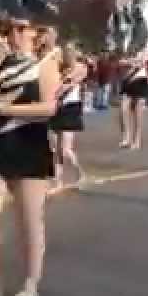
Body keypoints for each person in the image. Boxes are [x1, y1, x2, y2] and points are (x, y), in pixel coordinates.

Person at [0, 17, 61, 296]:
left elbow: (48, 108)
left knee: (29, 221)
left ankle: (31, 283)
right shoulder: (3, 63)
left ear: (35, 33)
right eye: (12, 30)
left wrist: (7, 108)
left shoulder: (45, 65)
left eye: (22, 29)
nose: (15, 34)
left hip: (29, 144)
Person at [49, 43, 88, 192]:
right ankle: (58, 181)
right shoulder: (59, 67)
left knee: (65, 149)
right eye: (66, 52)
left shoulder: (81, 67)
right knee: (55, 148)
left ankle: (80, 173)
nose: (68, 55)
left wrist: (56, 91)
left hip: (71, 107)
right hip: (57, 107)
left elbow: (69, 85)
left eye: (71, 52)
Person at [118, 47, 148, 150]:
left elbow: (141, 62)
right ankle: (127, 137)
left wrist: (131, 62)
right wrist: (130, 61)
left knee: (138, 113)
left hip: (140, 80)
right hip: (128, 82)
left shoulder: (146, 49)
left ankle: (137, 140)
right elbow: (121, 62)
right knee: (123, 110)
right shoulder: (129, 50)